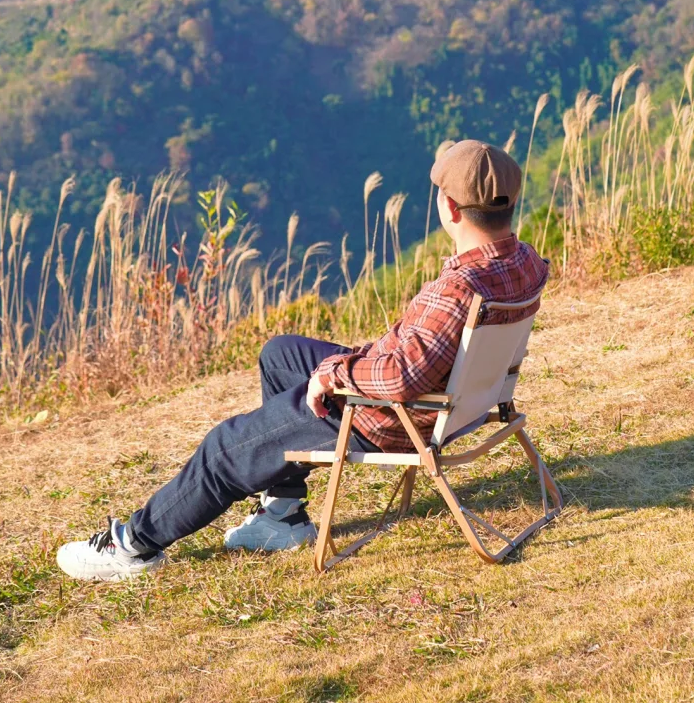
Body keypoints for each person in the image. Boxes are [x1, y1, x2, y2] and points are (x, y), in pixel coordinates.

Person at [56, 138, 548, 580]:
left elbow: (400, 376)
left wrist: (335, 372)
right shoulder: (522, 261)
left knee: (226, 448)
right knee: (281, 354)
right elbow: (417, 354)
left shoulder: (457, 288)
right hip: (464, 401)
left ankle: (133, 547)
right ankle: (284, 515)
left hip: (390, 417)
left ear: (450, 208)